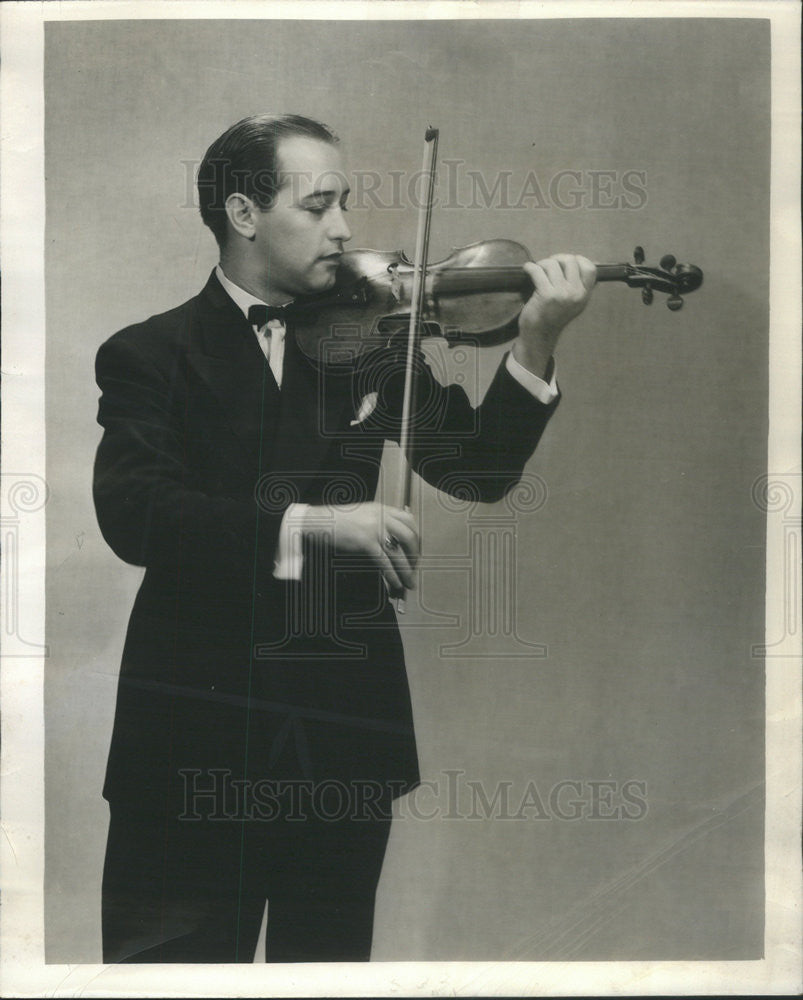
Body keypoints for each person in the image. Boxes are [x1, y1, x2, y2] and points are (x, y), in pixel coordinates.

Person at [94, 113, 596, 963]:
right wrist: (318, 524)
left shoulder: (373, 343)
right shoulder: (148, 354)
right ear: (245, 214)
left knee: (325, 975)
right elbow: (135, 513)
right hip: (191, 742)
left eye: (346, 203)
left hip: (340, 737)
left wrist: (537, 338)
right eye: (319, 204)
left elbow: (475, 469)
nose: (345, 227)